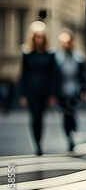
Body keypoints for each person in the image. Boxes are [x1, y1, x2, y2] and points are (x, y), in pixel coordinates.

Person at [19, 21, 59, 156]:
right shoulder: (27, 54)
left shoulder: (50, 54)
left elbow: (53, 75)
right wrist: (22, 94)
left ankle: (39, 141)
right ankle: (37, 143)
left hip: (45, 91)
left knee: (41, 117)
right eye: (37, 36)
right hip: (31, 91)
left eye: (42, 36)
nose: (39, 39)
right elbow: (23, 75)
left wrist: (53, 94)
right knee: (35, 116)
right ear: (33, 37)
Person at [55, 29, 86, 151]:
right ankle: (69, 137)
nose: (66, 44)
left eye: (68, 42)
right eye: (63, 42)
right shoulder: (57, 59)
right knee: (65, 114)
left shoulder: (78, 58)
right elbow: (53, 78)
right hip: (61, 92)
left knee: (71, 113)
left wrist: (85, 91)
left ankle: (73, 127)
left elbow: (84, 76)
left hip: (74, 91)